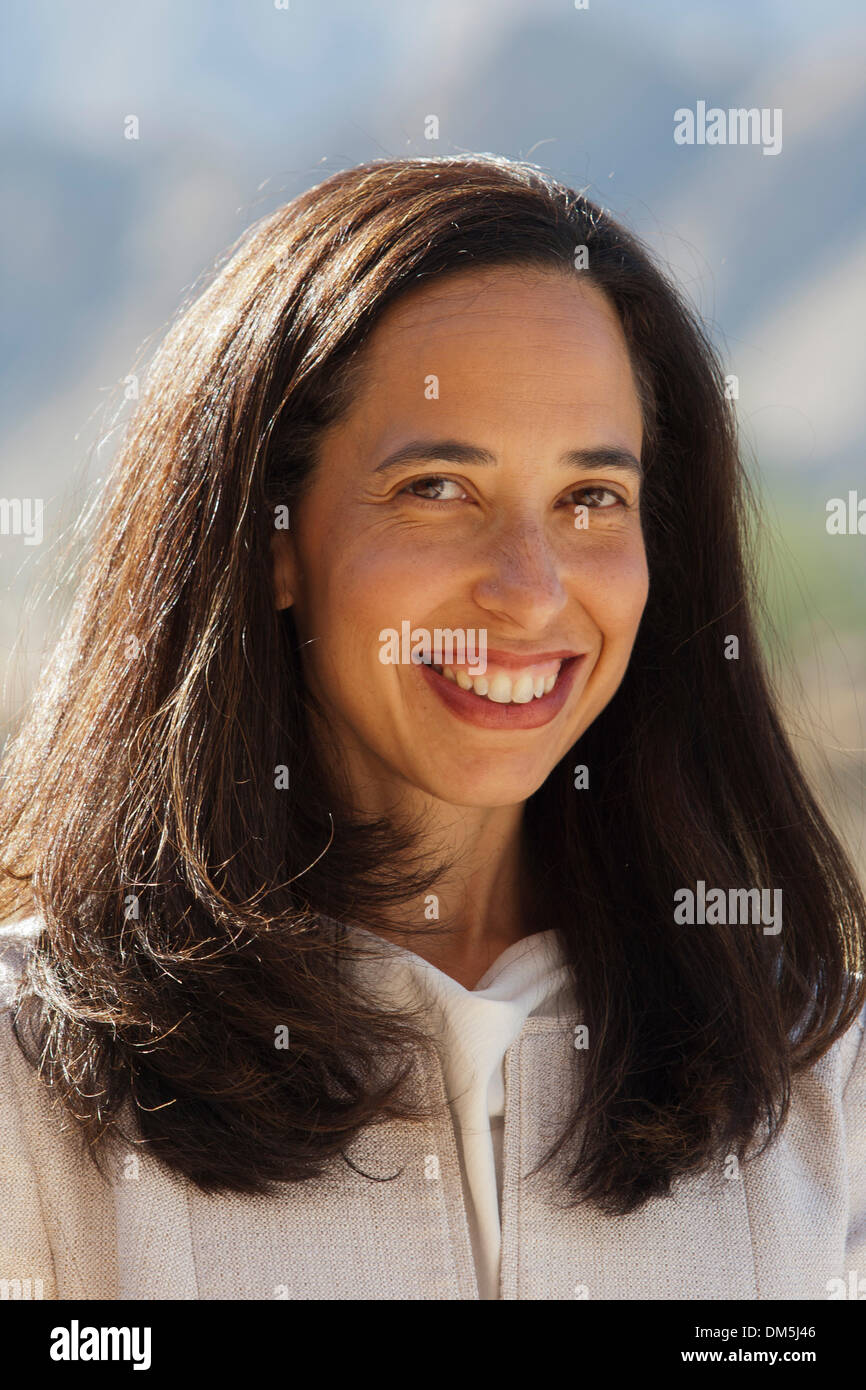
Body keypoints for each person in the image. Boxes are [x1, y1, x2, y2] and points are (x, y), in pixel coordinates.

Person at [0, 154, 863, 1301]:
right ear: (270, 539)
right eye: (437, 489)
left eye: (588, 498)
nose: (529, 590)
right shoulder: (32, 1079)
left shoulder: (818, 1067)